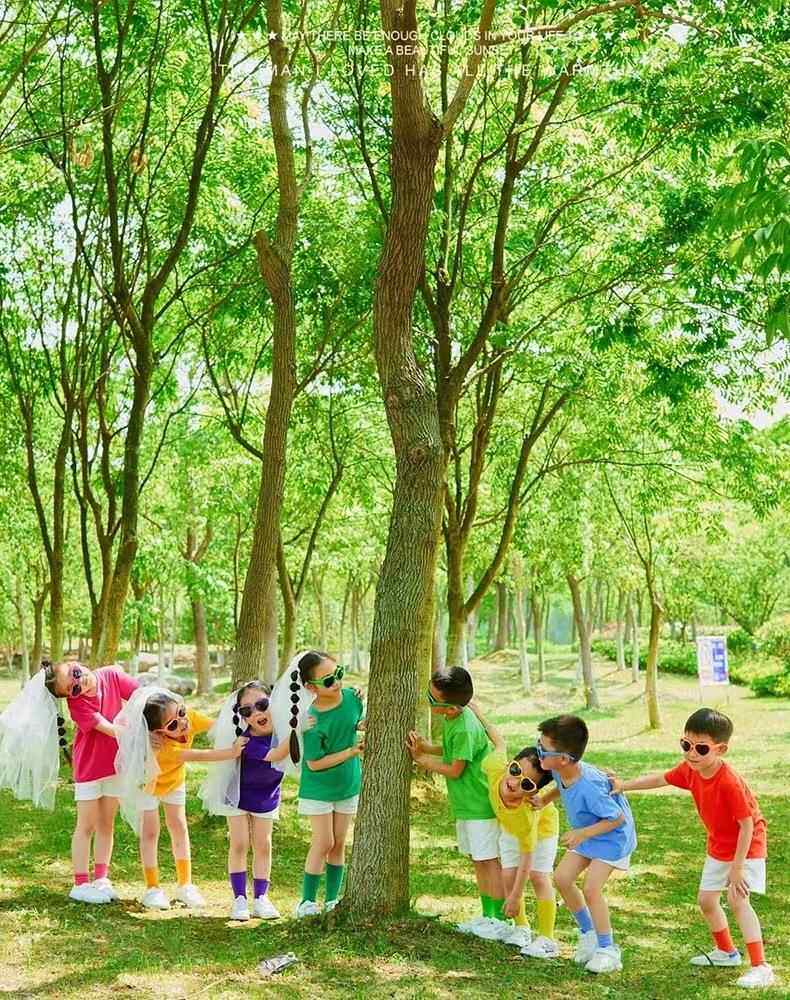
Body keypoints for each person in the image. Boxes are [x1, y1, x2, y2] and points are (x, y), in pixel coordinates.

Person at [609, 708, 774, 990]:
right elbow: (660, 779)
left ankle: (761, 966)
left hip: (747, 847)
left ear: (721, 749)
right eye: (686, 745)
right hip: (719, 844)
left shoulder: (729, 782)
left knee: (737, 901)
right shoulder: (690, 770)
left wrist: (737, 869)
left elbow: (747, 825)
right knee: (707, 901)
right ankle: (726, 952)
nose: (691, 753)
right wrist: (624, 786)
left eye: (701, 748)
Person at [0, 659, 138, 904]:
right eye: (73, 688)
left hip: (114, 766)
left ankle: (101, 878)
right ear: (70, 696)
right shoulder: (79, 705)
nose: (78, 682)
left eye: (75, 673)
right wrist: (138, 734)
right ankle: (80, 883)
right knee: (86, 825)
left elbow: (142, 696)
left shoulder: (112, 676)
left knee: (107, 823)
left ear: (77, 663)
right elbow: (111, 730)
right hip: (89, 770)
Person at [114, 686, 245, 910]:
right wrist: (232, 752)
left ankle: (185, 885)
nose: (182, 722)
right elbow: (200, 755)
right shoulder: (164, 747)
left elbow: (216, 725)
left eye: (181, 713)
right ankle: (152, 888)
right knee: (150, 832)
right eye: (172, 725)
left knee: (179, 827)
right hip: (147, 783)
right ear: (158, 732)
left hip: (174, 780)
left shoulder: (189, 718)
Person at [407, 666, 508, 942]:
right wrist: (428, 748)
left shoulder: (463, 726)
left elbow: (455, 768)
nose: (427, 700)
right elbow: (454, 750)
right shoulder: (455, 718)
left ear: (449, 707)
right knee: (479, 861)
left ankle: (500, 920)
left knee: (488, 861)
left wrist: (422, 760)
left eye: (431, 698)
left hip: (479, 807)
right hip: (467, 805)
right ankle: (487, 915)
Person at [534, 714, 636, 974]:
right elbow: (561, 786)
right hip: (589, 833)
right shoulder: (559, 769)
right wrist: (544, 800)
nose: (538, 752)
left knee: (591, 889)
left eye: (542, 749)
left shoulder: (590, 785)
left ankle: (608, 949)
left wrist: (583, 833)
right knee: (562, 878)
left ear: (563, 758)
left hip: (612, 838)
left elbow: (616, 818)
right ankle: (589, 933)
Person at [469, 700, 560, 957]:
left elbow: (527, 858)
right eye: (515, 770)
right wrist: (479, 714)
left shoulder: (527, 813)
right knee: (507, 875)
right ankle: (522, 928)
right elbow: (499, 742)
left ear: (533, 792)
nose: (515, 782)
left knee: (539, 877)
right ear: (510, 763)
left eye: (527, 785)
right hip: (509, 829)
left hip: (540, 832)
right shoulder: (495, 767)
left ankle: (547, 938)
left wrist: (516, 897)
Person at [281, 650, 364, 918]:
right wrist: (350, 752)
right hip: (319, 789)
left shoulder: (352, 698)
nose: (337, 682)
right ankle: (306, 901)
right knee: (323, 841)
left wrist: (363, 724)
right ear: (310, 687)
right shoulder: (311, 721)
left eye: (338, 673)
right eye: (329, 680)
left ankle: (331, 900)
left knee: (338, 842)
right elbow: (315, 764)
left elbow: (356, 722)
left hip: (347, 784)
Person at [200, 680, 291, 921]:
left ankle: (261, 898)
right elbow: (275, 755)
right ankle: (239, 898)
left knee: (263, 844)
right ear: (242, 716)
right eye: (247, 711)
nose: (256, 713)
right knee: (239, 843)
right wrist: (298, 731)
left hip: (267, 794)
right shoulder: (247, 742)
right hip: (237, 794)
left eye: (262, 705)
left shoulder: (283, 731)